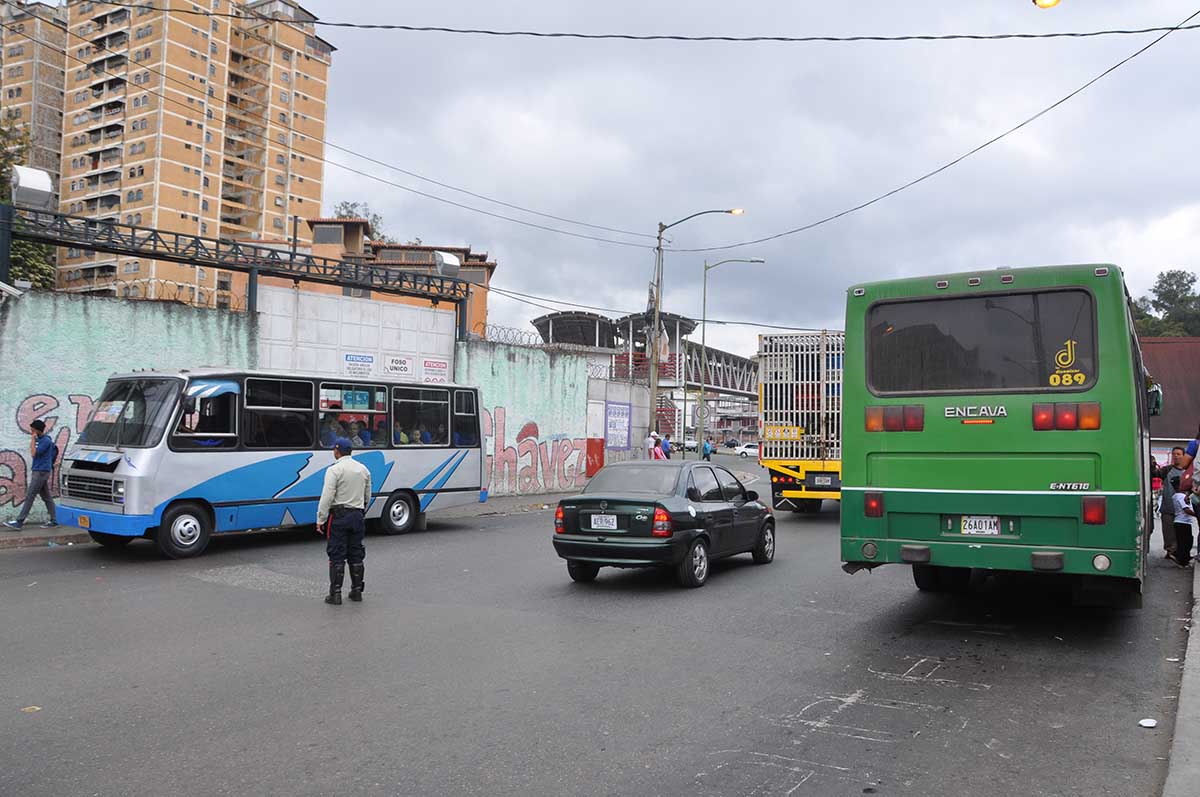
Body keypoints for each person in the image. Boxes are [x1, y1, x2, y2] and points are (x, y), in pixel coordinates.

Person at [317, 438, 372, 605]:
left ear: (337, 451)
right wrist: (361, 510)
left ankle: (336, 594)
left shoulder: (334, 470)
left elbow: (327, 496)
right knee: (356, 554)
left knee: (337, 555)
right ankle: (356, 592)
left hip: (339, 516)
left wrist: (321, 518)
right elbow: (367, 495)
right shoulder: (363, 469)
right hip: (357, 515)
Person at [5, 420, 58, 531]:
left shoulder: (46, 441)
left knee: (30, 496)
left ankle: (19, 522)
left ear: (38, 429)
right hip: (39, 471)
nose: (31, 431)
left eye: (33, 429)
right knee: (47, 497)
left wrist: (33, 440)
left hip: (41, 472)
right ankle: (55, 520)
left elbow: (33, 454)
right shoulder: (40, 440)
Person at [1153, 447, 1187, 559]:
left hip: (1183, 509)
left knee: (1182, 533)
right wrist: (1152, 464)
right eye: (1174, 454)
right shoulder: (1167, 469)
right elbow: (1154, 474)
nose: (1176, 456)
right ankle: (1170, 551)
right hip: (1168, 507)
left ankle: (1181, 552)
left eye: (1178, 454)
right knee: (1168, 532)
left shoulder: (1188, 471)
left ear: (1184, 456)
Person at [1170, 475, 1195, 568]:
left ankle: (1182, 557)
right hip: (1183, 522)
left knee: (1183, 541)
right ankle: (1182, 561)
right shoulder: (1181, 496)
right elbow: (1186, 509)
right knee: (1186, 542)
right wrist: (1197, 515)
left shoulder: (1176, 496)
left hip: (1180, 522)